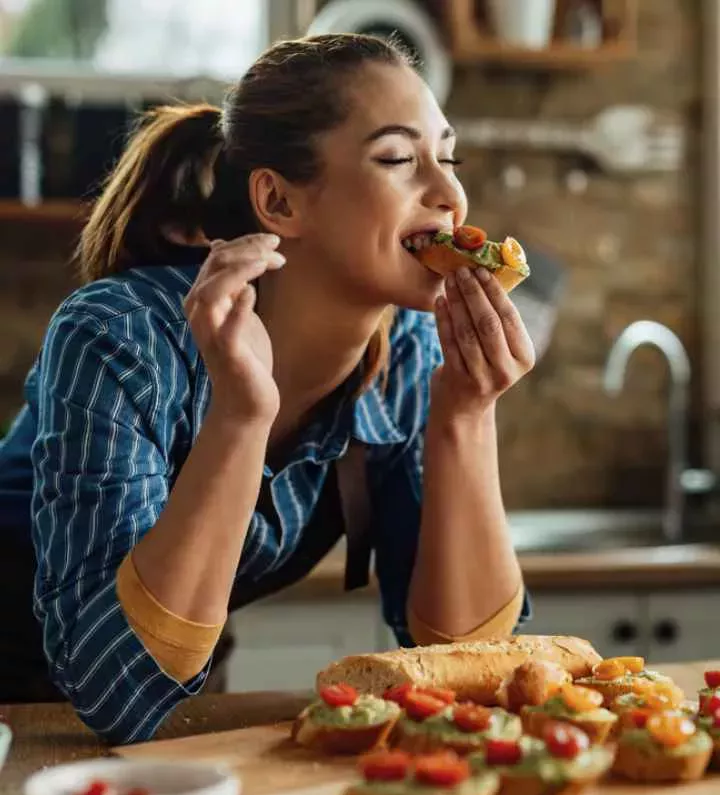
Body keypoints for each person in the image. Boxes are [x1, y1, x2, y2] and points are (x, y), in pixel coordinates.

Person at [0, 33, 535, 744]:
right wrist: (242, 417)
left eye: (449, 155)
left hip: (173, 692)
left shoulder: (407, 355)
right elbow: (114, 690)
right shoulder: (120, 337)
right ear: (279, 202)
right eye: (400, 159)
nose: (449, 194)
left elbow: (472, 671)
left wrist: (466, 418)